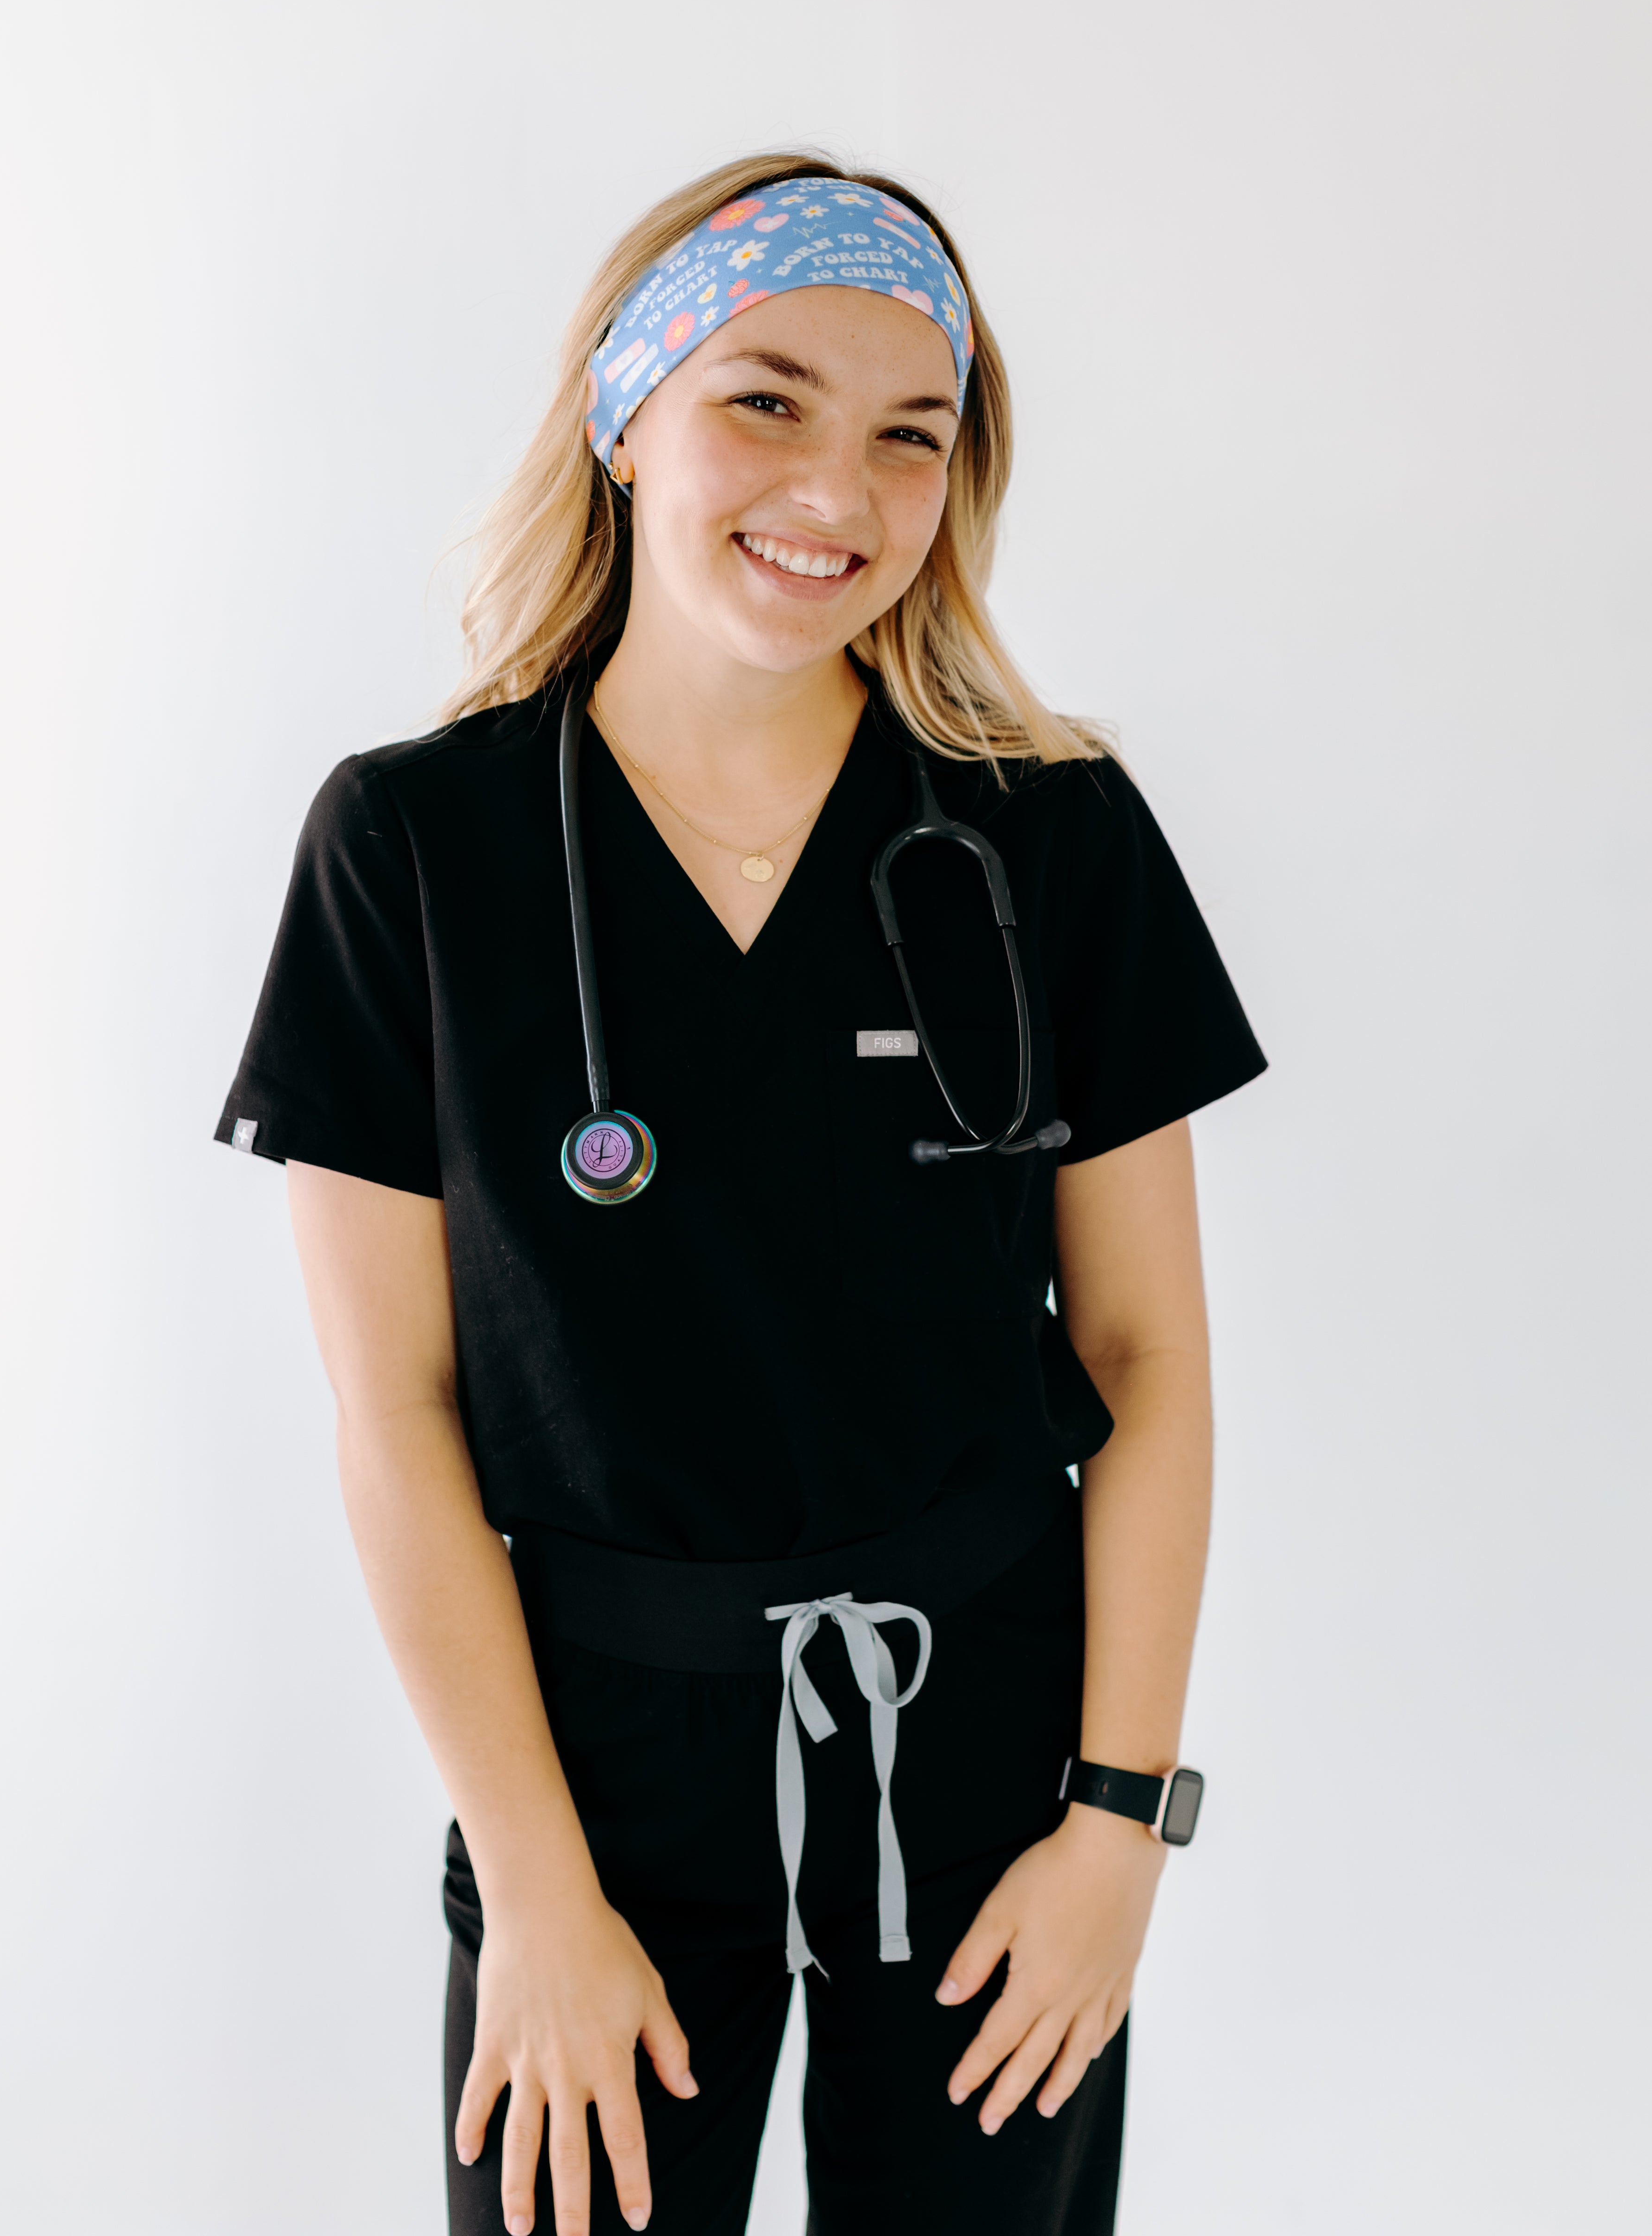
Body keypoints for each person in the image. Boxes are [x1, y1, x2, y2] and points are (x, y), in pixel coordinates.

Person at [216, 153, 1265, 2236]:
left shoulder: (1044, 838)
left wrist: (1118, 1831)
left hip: (992, 1768)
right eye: (765, 400)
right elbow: (395, 1417)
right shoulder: (417, 854)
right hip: (592, 1779)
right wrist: (532, 1889)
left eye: (912, 431)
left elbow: (1146, 1359)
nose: (840, 491)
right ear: (625, 414)